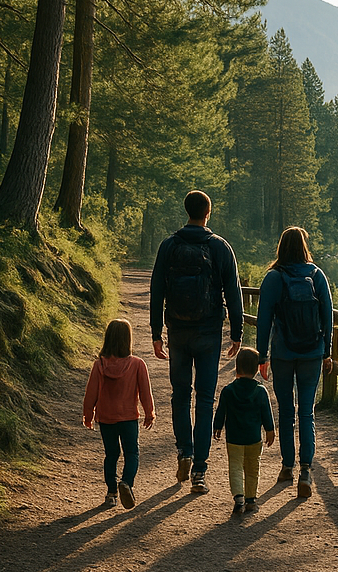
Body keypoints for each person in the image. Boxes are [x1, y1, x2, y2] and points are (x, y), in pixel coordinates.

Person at [150, 190, 244, 494]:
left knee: (180, 395)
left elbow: (156, 290)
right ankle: (200, 470)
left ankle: (184, 452)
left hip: (177, 331)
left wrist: (155, 333)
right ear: (208, 213)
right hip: (209, 333)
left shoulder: (169, 246)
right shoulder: (219, 247)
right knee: (205, 400)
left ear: (186, 211)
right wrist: (237, 333)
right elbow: (233, 291)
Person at [255, 226, 334, 499]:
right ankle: (306, 471)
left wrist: (262, 356)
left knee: (287, 411)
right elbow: (328, 316)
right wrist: (327, 351)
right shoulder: (316, 275)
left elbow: (264, 320)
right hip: (312, 353)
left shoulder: (274, 277)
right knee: (307, 411)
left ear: (281, 247)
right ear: (303, 246)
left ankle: (287, 467)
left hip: (283, 353)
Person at [82, 319, 155, 509]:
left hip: (106, 419)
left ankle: (111, 492)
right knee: (132, 453)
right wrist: (149, 413)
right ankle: (126, 483)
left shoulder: (99, 365)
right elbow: (145, 392)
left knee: (111, 454)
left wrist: (88, 415)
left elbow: (90, 393)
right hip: (129, 418)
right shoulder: (138, 364)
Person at [212, 347, 276, 515]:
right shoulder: (260, 391)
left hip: (234, 438)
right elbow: (266, 414)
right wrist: (270, 430)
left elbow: (221, 412)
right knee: (252, 468)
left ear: (237, 368)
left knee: (236, 467)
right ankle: (251, 500)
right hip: (254, 438)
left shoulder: (228, 391)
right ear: (256, 370)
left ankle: (239, 499)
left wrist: (217, 427)